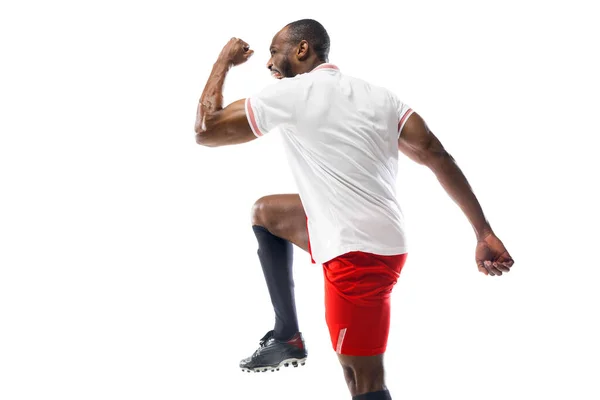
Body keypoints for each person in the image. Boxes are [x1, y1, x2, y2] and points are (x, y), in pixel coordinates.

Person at [194, 19, 514, 400]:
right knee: (266, 213)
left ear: (302, 50)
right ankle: (287, 336)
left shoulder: (293, 94)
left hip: (358, 258)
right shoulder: (379, 96)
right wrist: (483, 232)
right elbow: (435, 154)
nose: (268, 63)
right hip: (369, 235)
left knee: (362, 380)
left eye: (274, 52)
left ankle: (303, 345)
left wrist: (223, 62)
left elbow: (206, 129)